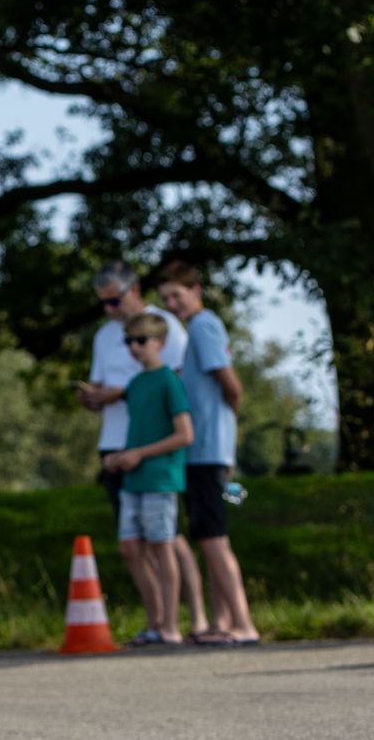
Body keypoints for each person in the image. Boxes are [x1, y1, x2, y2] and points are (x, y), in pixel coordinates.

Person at [76, 262, 209, 635]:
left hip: (156, 449)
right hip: (118, 443)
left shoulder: (164, 327)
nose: (109, 310)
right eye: (102, 303)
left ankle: (193, 618)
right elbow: (104, 380)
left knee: (168, 538)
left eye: (114, 301)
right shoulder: (105, 336)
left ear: (134, 291)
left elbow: (180, 384)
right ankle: (158, 622)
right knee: (133, 543)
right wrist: (96, 397)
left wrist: (126, 392)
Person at [156, 262, 261, 645]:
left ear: (195, 290)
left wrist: (226, 431)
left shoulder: (203, 326)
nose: (172, 304)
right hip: (202, 449)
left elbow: (231, 385)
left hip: (208, 448)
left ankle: (244, 624)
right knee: (207, 534)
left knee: (214, 537)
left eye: (176, 296)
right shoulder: (197, 329)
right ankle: (223, 621)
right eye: (165, 299)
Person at [99, 312, 194, 645]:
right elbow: (138, 430)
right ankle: (154, 621)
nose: (134, 348)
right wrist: (122, 455)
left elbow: (184, 434)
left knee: (161, 547)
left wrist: (140, 454)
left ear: (161, 343)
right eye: (129, 342)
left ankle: (170, 624)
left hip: (160, 479)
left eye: (141, 341)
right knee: (129, 547)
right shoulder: (136, 385)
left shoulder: (169, 381)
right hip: (133, 478)